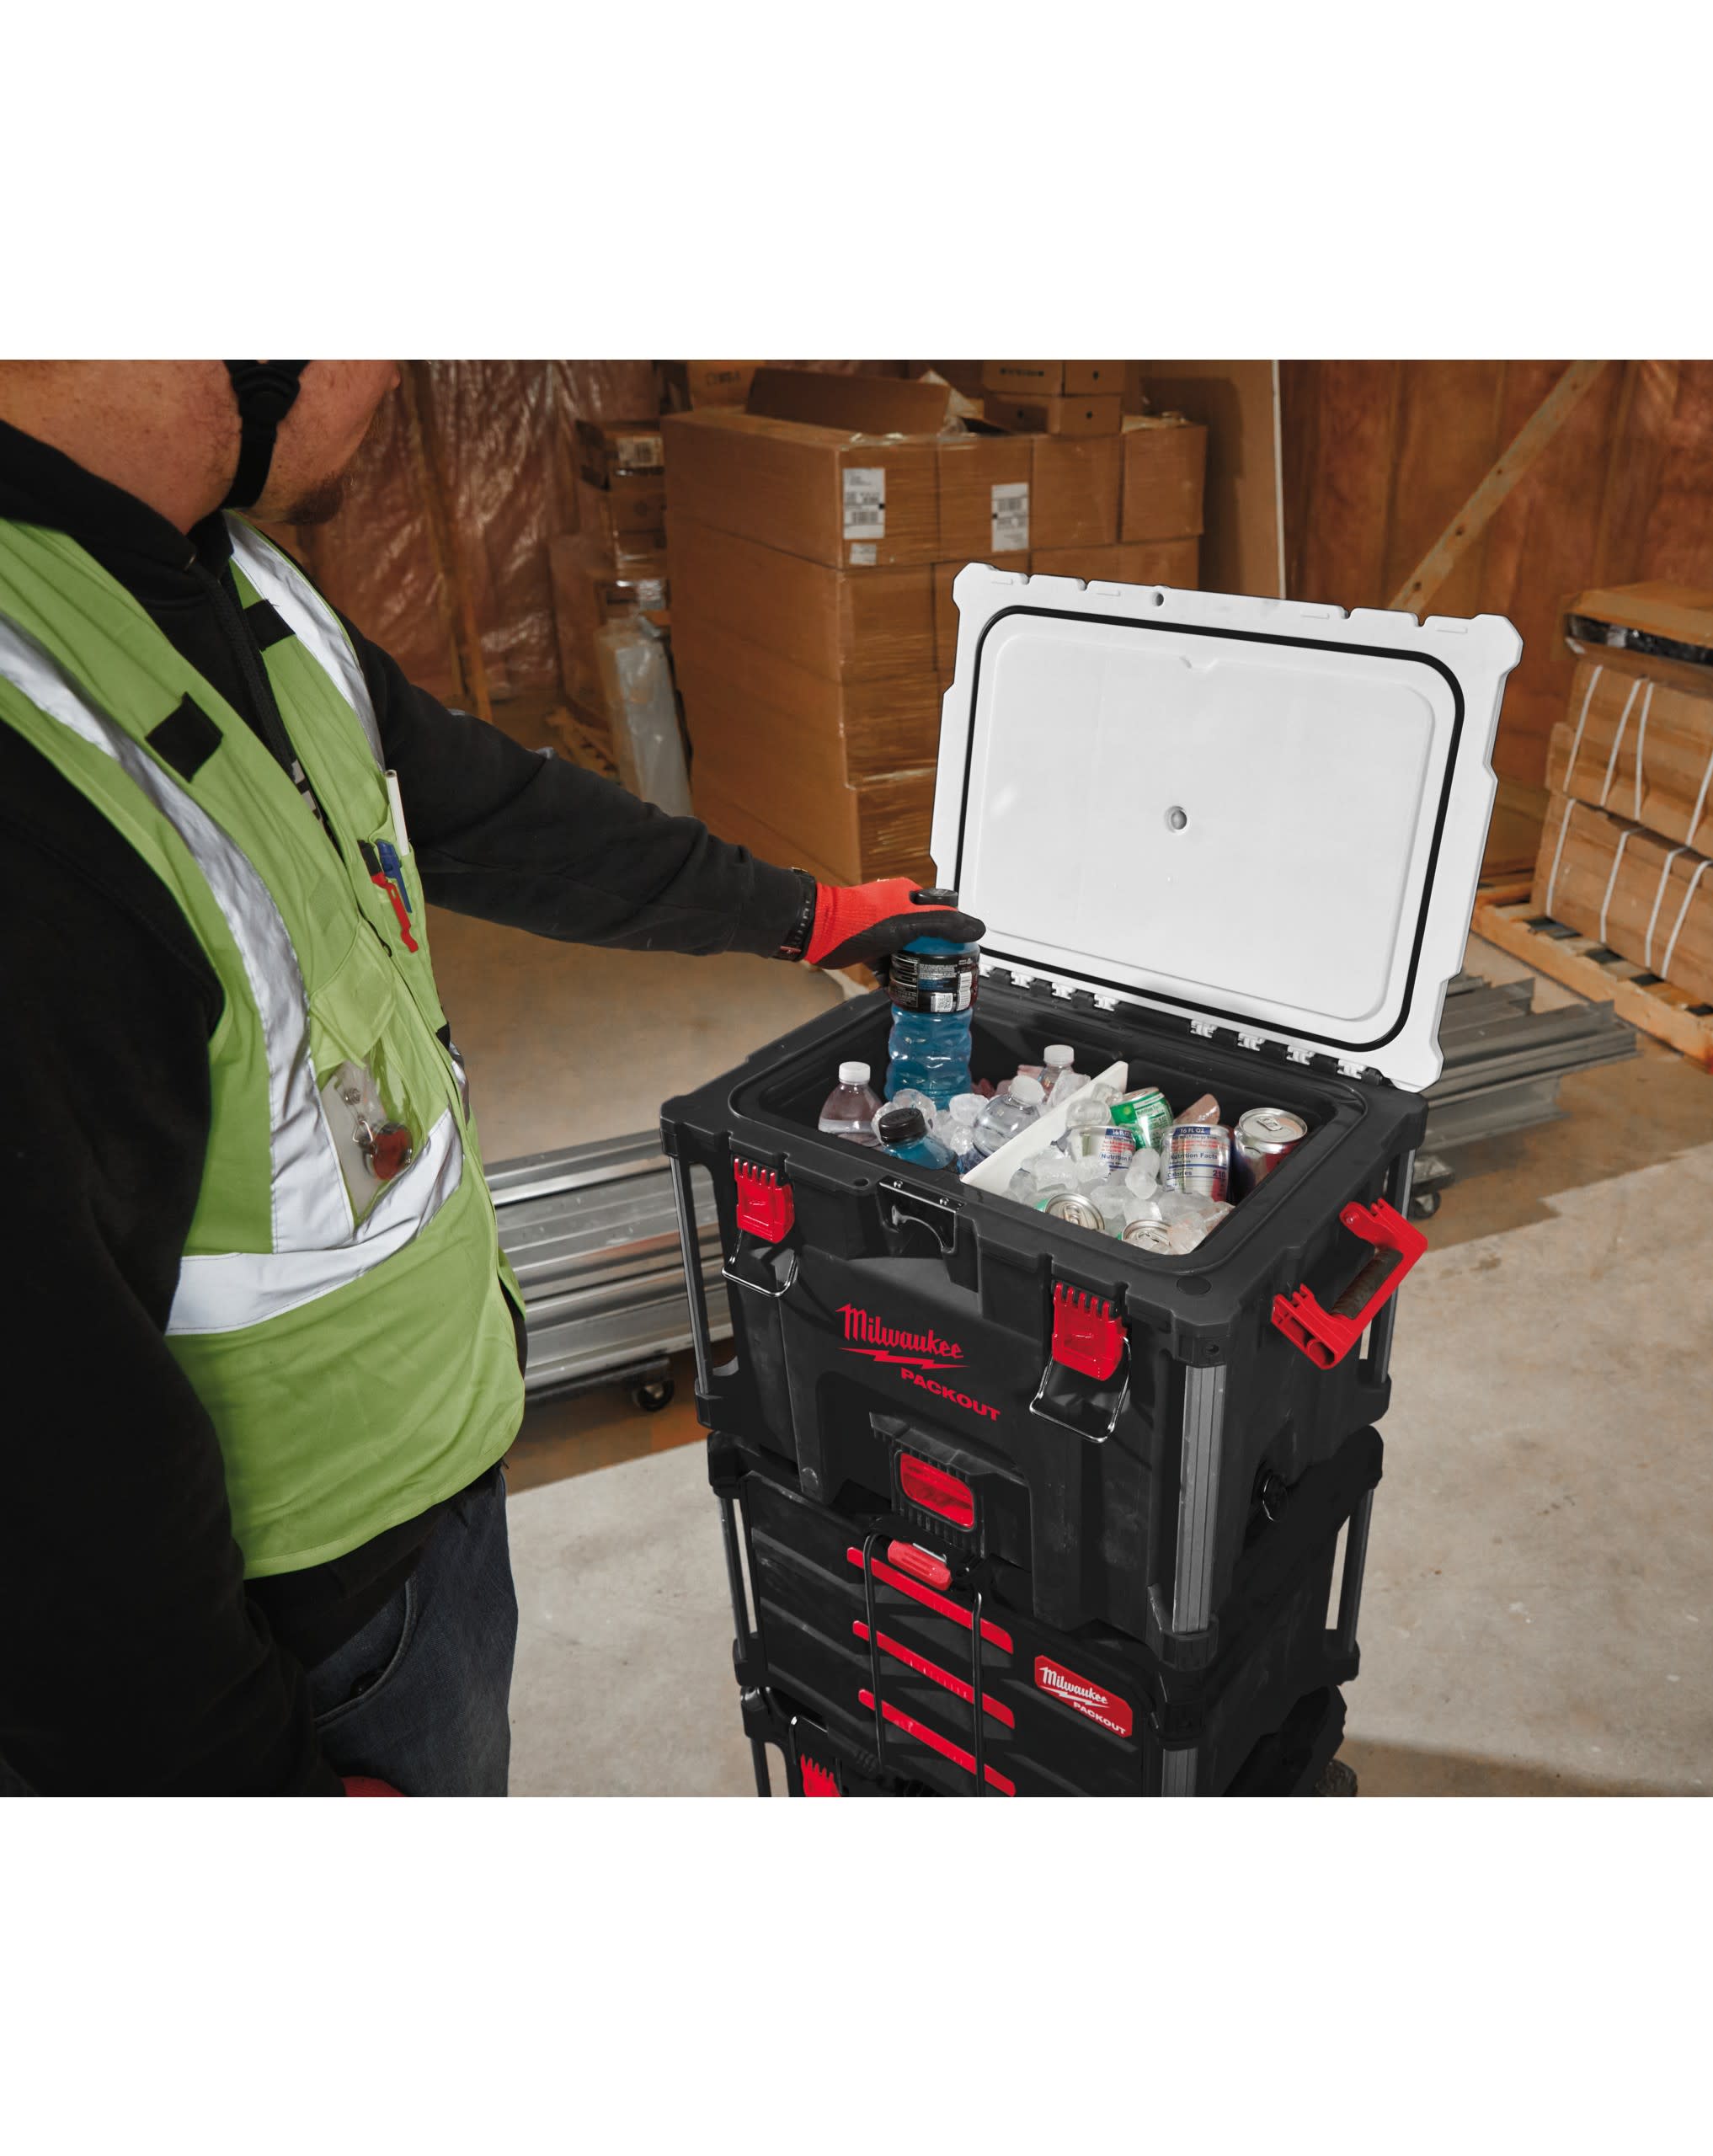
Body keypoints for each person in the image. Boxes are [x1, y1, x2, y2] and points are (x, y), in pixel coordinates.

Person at [0, 360, 982, 1797]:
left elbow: (496, 814)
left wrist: (802, 913)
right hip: (296, 1620)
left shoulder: (236, 577)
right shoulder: (33, 749)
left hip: (434, 1471)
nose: (393, 369)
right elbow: (42, 1451)